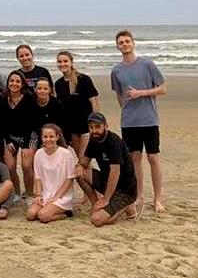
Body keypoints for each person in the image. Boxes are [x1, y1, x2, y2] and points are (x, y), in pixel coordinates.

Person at [111, 30, 167, 213]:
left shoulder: (147, 64)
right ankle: (139, 196)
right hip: (129, 122)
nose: (124, 44)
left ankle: (158, 198)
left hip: (149, 119)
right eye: (121, 42)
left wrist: (141, 93)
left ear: (133, 43)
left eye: (127, 41)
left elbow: (162, 88)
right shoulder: (116, 70)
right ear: (117, 46)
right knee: (135, 159)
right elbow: (119, 95)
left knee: (153, 158)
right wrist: (127, 110)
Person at [76, 112, 138, 226]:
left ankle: (126, 206)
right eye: (91, 127)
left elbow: (115, 172)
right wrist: (79, 166)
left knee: (96, 219)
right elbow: (84, 162)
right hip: (107, 181)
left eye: (98, 127)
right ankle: (96, 204)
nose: (94, 130)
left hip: (125, 190)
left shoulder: (113, 141)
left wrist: (106, 198)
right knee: (79, 173)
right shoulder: (93, 139)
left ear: (106, 126)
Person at [26, 124, 77, 223]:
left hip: (61, 196)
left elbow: (70, 179)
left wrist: (56, 197)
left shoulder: (66, 154)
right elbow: (38, 177)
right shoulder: (39, 153)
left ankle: (66, 213)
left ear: (57, 137)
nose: (48, 139)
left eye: (51, 136)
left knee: (43, 216)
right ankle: (48, 209)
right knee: (30, 215)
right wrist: (38, 195)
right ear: (41, 137)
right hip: (45, 194)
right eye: (45, 137)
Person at [0, 70, 36, 201]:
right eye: (12, 81)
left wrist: (26, 145)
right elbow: (2, 122)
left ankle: (30, 194)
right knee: (10, 166)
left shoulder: (29, 98)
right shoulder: (3, 98)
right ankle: (17, 193)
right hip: (11, 137)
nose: (14, 83)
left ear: (22, 84)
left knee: (26, 166)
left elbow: (32, 123)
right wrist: (8, 141)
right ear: (8, 82)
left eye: (18, 81)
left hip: (29, 136)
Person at [55, 51, 99, 156]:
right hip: (71, 128)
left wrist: (95, 125)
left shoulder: (83, 79)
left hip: (86, 126)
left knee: (84, 159)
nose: (63, 64)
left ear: (71, 62)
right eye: (60, 62)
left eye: (65, 61)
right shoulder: (58, 84)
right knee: (80, 159)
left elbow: (94, 102)